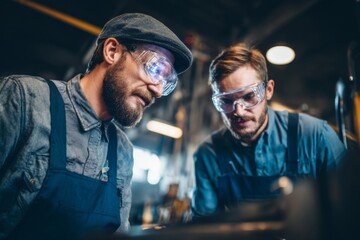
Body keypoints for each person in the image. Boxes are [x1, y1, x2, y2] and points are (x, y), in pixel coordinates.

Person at [0, 13, 192, 239]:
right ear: (112, 51)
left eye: (165, 82)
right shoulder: (25, 100)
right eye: (155, 69)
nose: (158, 90)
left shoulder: (123, 151)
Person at [191, 43, 346, 217]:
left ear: (268, 90)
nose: (238, 111)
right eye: (226, 101)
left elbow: (351, 212)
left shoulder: (316, 136)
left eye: (249, 96)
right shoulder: (208, 155)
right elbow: (204, 228)